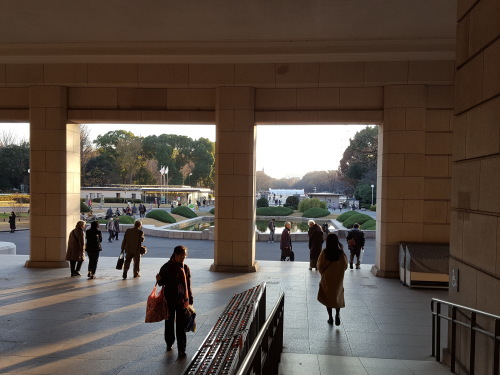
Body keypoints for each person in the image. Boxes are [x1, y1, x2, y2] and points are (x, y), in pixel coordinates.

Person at [156, 245, 193, 357]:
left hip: (182, 300)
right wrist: (159, 279)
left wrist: (190, 299)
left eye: (184, 255)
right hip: (170, 299)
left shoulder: (185, 268)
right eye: (181, 255)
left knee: (181, 325)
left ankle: (182, 349)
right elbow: (161, 283)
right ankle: (169, 342)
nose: (183, 257)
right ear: (175, 255)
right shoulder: (167, 267)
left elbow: (189, 285)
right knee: (169, 322)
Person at [317, 233, 348, 326]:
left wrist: (323, 273)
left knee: (328, 297)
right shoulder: (341, 253)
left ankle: (330, 317)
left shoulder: (324, 252)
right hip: (338, 278)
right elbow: (345, 265)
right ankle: (337, 314)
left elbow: (319, 265)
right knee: (337, 296)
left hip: (327, 278)